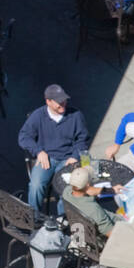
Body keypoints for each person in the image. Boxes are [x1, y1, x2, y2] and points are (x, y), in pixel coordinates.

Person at [18, 84, 90, 212]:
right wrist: (38, 151)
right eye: (58, 101)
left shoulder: (76, 115)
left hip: (67, 159)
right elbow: (24, 137)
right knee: (35, 186)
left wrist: (74, 156)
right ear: (48, 102)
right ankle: (35, 220)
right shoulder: (38, 115)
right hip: (47, 158)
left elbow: (82, 140)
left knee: (67, 188)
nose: (63, 103)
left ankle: (62, 220)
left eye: (64, 100)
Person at [61, 166, 120, 240]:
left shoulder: (67, 192)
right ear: (88, 185)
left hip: (81, 226)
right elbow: (113, 234)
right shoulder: (95, 211)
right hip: (117, 223)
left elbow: (86, 190)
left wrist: (111, 190)